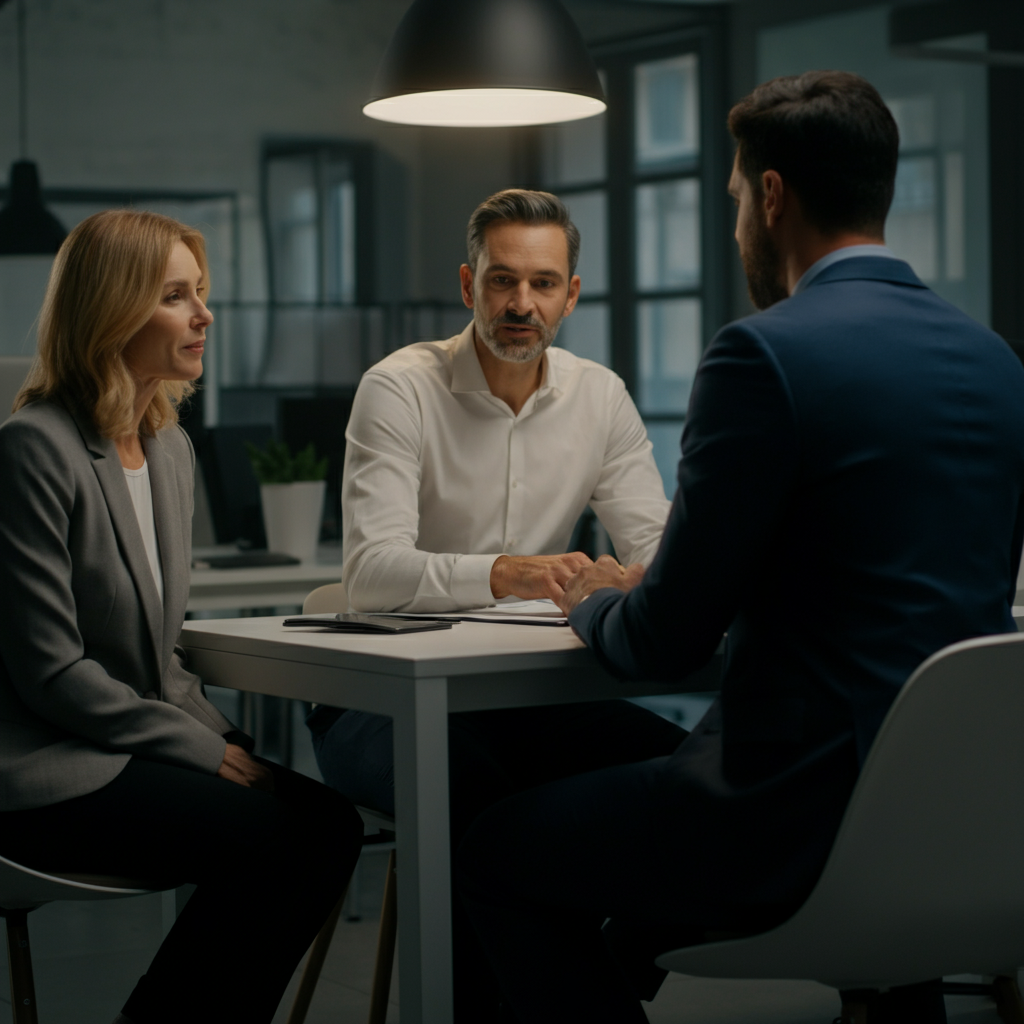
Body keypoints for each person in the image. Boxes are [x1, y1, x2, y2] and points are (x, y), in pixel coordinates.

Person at [455, 72, 1024, 1024]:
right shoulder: (998, 363)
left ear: (770, 196)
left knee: (494, 854)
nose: (735, 227)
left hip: (788, 819)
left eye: (731, 201)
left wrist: (591, 600)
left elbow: (666, 641)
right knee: (631, 894)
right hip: (954, 819)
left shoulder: (763, 354)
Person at [308, 188, 684, 1021]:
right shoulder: (400, 388)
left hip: (518, 697)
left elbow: (655, 543)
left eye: (544, 283)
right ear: (467, 282)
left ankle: (591, 984)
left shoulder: (601, 396)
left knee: (696, 782)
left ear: (572, 293)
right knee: (476, 809)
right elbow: (370, 572)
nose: (522, 304)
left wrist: (636, 577)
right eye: (502, 280)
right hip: (377, 703)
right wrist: (508, 573)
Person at [0, 209, 363, 1024]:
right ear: (112, 310)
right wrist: (198, 747)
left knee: (328, 825)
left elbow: (160, 659)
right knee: (284, 843)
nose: (204, 315)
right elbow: (51, 672)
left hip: (127, 746)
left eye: (202, 293)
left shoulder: (169, 449)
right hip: (47, 771)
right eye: (175, 296)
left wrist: (219, 737)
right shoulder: (33, 448)